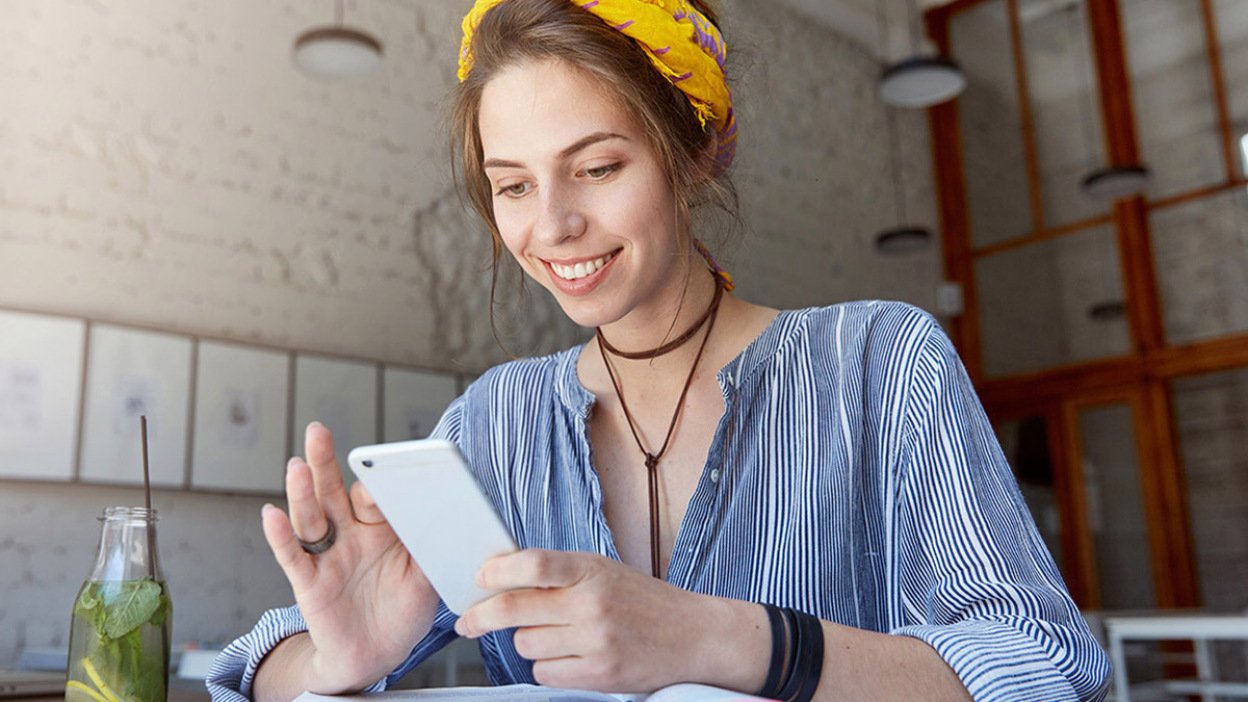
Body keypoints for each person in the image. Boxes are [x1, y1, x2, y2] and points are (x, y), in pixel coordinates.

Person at [207, 1, 1111, 700]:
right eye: (512, 185)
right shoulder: (496, 421)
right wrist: (339, 661)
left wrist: (720, 639)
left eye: (598, 168)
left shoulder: (877, 362)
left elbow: (1040, 665)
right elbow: (255, 663)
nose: (553, 226)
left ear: (696, 153)